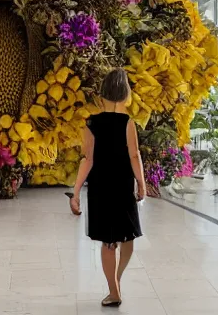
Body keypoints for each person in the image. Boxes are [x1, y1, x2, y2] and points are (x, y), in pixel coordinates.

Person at [69, 68, 146, 308]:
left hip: (101, 187)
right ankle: (115, 285)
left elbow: (87, 159)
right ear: (126, 95)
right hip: (123, 186)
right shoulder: (128, 123)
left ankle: (114, 286)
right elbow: (134, 155)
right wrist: (142, 182)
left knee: (108, 241)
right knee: (128, 236)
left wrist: (76, 191)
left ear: (102, 94)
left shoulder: (92, 122)